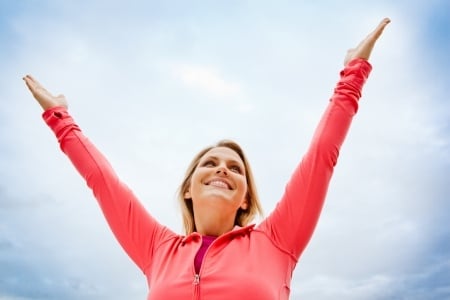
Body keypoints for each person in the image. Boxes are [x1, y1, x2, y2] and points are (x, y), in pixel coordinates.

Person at [23, 18, 390, 300]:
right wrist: (61, 119)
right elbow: (102, 182)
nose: (221, 169)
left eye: (235, 168)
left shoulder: (277, 240)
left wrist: (352, 75)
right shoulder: (157, 249)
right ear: (188, 189)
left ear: (245, 197)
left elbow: (321, 157)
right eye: (210, 163)